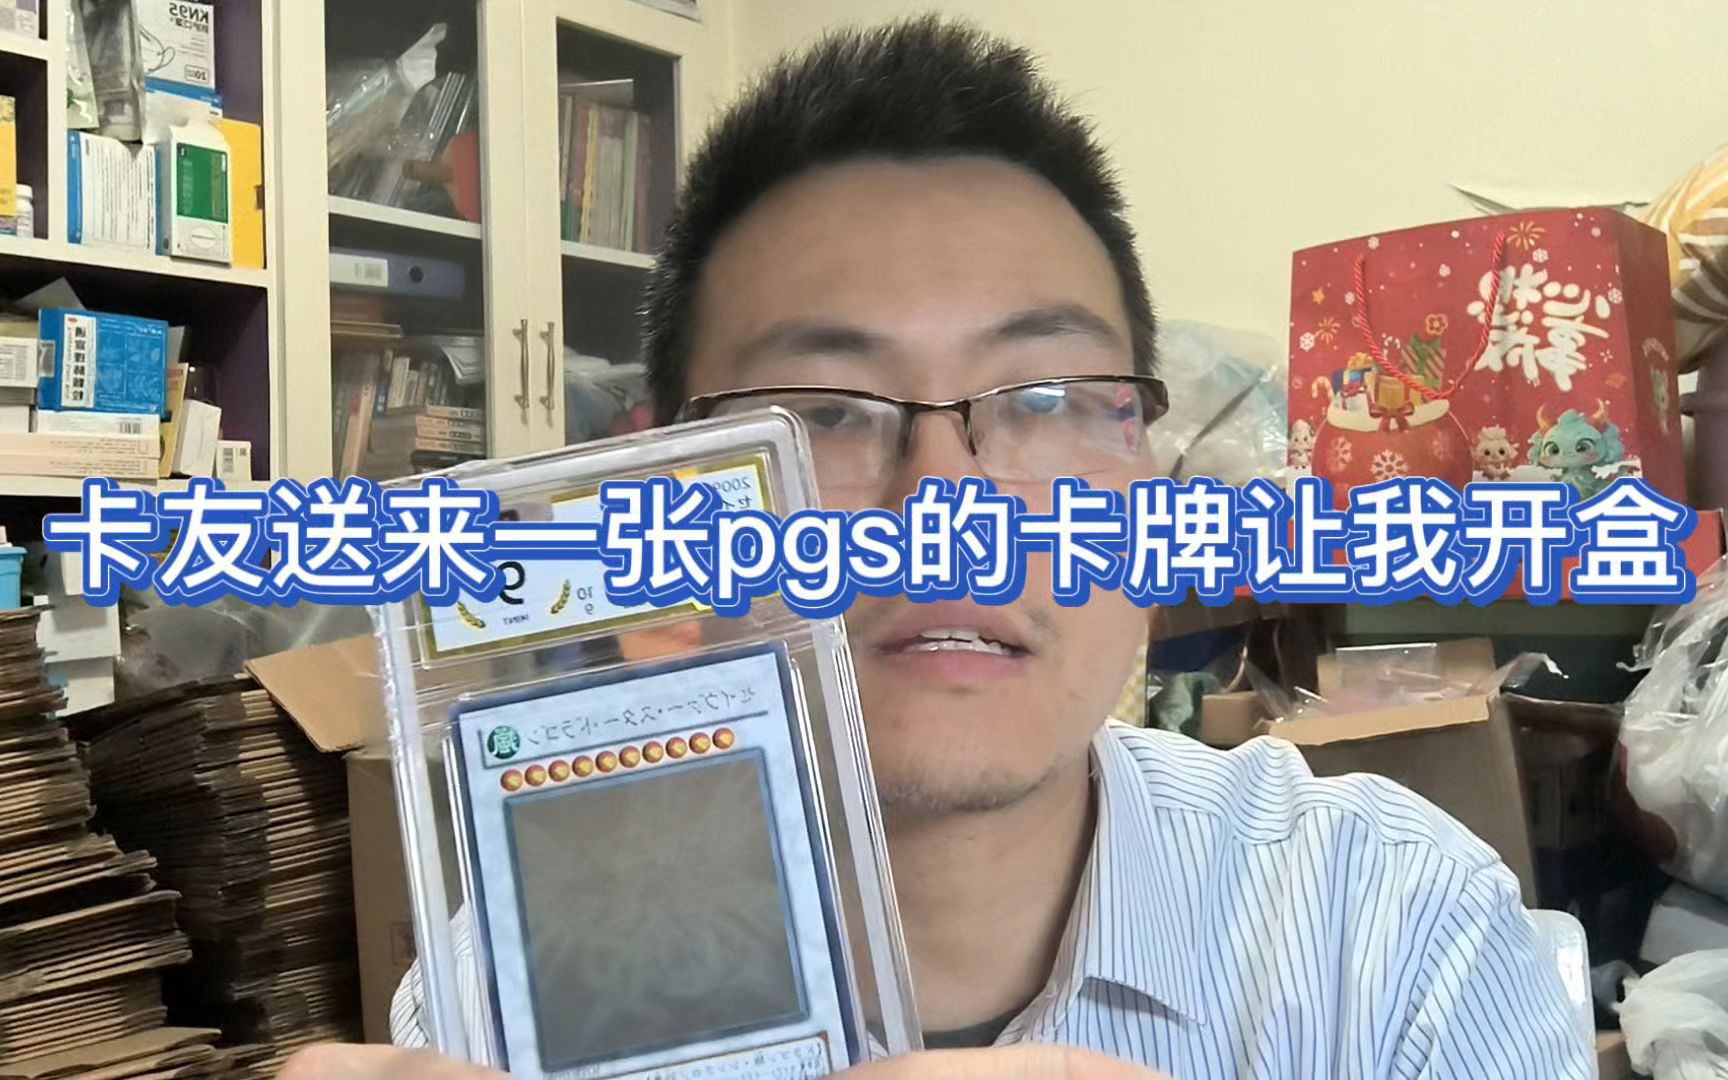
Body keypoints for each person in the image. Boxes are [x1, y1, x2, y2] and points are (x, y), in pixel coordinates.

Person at [285, 17, 1588, 1080]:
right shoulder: (512, 998)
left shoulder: (1397, 940)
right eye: (821, 415)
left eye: (1045, 399)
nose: (946, 510)